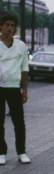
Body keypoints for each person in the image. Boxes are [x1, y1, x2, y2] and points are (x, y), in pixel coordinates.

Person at [0, 14, 31, 165]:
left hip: (14, 87)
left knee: (19, 122)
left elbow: (24, 69)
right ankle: (1, 152)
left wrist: (24, 89)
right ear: (1, 26)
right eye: (7, 25)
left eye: (12, 25)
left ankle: (22, 152)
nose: (10, 28)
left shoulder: (21, 46)